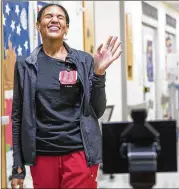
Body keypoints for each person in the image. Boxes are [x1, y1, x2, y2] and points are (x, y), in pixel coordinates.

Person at [11, 3, 122, 189]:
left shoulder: (84, 61)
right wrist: (17, 166)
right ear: (38, 25)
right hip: (42, 155)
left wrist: (99, 73)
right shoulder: (25, 64)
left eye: (60, 17)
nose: (54, 19)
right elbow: (17, 116)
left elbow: (97, 110)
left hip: (79, 153)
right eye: (48, 16)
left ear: (66, 28)